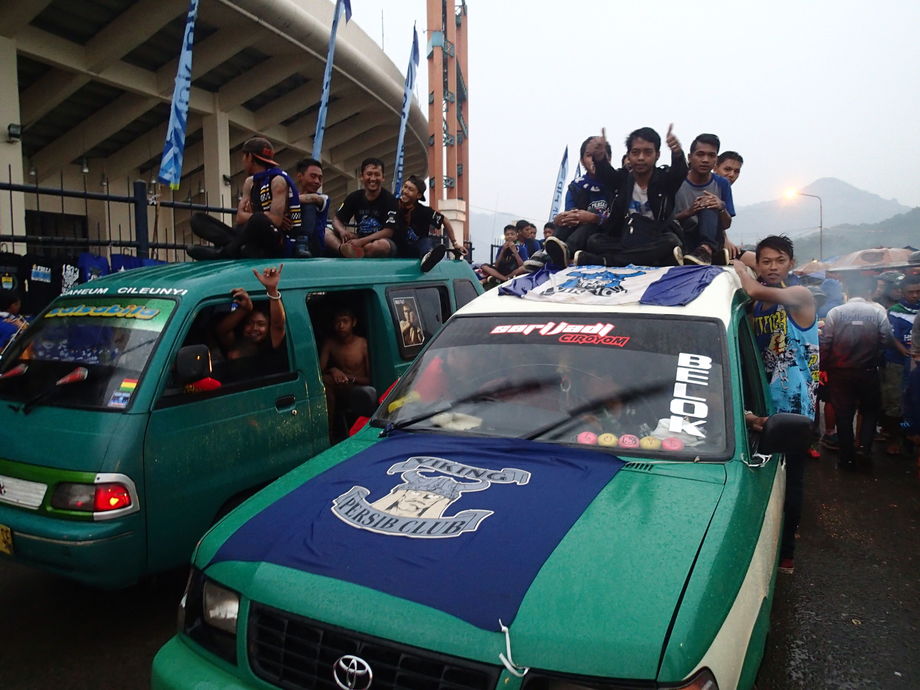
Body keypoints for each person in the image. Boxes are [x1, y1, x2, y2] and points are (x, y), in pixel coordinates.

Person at [732, 235, 818, 575]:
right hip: (765, 403)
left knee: (793, 482)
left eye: (779, 261)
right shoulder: (757, 309)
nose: (770, 267)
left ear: (791, 264)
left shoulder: (799, 295)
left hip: (795, 408)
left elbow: (752, 288)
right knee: (765, 476)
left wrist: (738, 266)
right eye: (765, 261)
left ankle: (787, 553)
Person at [560, 125, 688, 268]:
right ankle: (651, 259)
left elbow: (679, 173)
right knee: (594, 241)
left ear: (657, 155)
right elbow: (606, 174)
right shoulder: (622, 179)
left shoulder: (664, 180)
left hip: (654, 237)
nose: (641, 158)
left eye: (647, 152)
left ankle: (604, 261)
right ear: (628, 155)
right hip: (625, 237)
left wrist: (677, 153)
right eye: (635, 152)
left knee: (671, 242)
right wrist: (599, 157)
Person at [821, 274, 893, 469]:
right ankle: (864, 448)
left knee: (843, 415)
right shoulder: (878, 312)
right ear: (869, 291)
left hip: (840, 373)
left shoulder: (835, 312)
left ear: (848, 291)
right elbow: (886, 339)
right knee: (869, 412)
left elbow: (826, 343)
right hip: (868, 371)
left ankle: (846, 458)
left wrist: (823, 367)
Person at [188, 137, 302, 260]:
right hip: (249, 235)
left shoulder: (277, 181)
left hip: (274, 239)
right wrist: (263, 216)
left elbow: (276, 220)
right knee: (197, 219)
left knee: (258, 219)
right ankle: (237, 249)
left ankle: (224, 253)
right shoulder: (250, 182)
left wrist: (259, 216)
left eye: (244, 156)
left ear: (250, 157)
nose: (242, 160)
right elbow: (239, 218)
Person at [543, 135, 614, 267]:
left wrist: (594, 218)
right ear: (582, 160)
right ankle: (548, 253)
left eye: (599, 155)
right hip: (577, 231)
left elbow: (619, 220)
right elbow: (571, 213)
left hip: (606, 234)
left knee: (591, 217)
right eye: (589, 155)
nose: (594, 159)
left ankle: (566, 251)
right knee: (568, 218)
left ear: (609, 159)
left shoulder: (617, 182)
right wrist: (560, 219)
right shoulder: (576, 186)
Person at [673, 133, 735, 265]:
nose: (705, 160)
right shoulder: (676, 181)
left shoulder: (722, 184)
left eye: (711, 156)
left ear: (716, 160)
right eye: (700, 154)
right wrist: (689, 212)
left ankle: (706, 251)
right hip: (682, 235)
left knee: (710, 204)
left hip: (711, 238)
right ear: (690, 157)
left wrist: (721, 207)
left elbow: (726, 224)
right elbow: (665, 220)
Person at [385, 174, 466, 272]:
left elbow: (445, 220)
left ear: (418, 195)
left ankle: (427, 259)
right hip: (396, 248)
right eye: (405, 187)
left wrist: (455, 244)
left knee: (426, 241)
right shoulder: (392, 205)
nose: (405, 191)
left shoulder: (425, 211)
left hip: (415, 249)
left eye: (410, 189)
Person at [215, 265, 286, 366]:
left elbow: (278, 325)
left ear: (268, 327)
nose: (254, 328)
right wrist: (244, 310)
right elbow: (222, 330)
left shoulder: (273, 343)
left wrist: (272, 290)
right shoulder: (237, 341)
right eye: (249, 323)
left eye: (261, 324)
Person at [881, 275, 920, 454]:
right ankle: (894, 437)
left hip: (916, 363)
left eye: (918, 292)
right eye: (910, 292)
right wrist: (901, 348)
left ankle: (910, 436)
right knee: (895, 401)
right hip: (897, 363)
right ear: (902, 292)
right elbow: (889, 334)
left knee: (913, 402)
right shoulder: (895, 311)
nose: (914, 295)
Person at [320, 307, 373, 436]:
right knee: (325, 381)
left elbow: (371, 378)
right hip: (339, 389)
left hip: (360, 389)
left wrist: (348, 377)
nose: (341, 325)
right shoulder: (330, 343)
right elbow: (319, 371)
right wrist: (333, 370)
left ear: (353, 323)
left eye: (345, 321)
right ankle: (328, 431)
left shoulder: (362, 344)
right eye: (337, 322)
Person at [331, 158, 398, 258]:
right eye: (369, 174)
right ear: (361, 177)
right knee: (326, 232)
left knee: (381, 246)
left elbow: (388, 231)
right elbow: (336, 220)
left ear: (383, 177)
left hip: (382, 241)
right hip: (359, 238)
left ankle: (355, 252)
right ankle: (343, 249)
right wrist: (342, 231)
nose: (373, 178)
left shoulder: (390, 199)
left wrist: (360, 241)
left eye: (377, 174)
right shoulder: (354, 197)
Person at [293, 158, 330, 258]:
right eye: (313, 176)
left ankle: (302, 243)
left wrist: (286, 201)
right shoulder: (290, 197)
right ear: (300, 177)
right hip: (290, 242)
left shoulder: (323, 198)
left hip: (314, 247)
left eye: (320, 178)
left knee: (309, 204)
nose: (317, 181)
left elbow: (313, 198)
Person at [0, 289, 28, 354]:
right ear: (13, 305)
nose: (20, 306)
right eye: (18, 304)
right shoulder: (11, 328)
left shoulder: (19, 319)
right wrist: (24, 328)